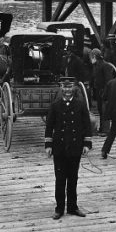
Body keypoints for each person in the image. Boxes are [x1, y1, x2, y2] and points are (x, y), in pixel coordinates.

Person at [45, 78, 92, 219]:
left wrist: (86, 144)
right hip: (59, 148)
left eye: (69, 87)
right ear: (61, 88)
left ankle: (72, 207)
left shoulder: (80, 105)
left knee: (73, 179)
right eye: (64, 88)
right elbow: (49, 126)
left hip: (74, 147)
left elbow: (87, 125)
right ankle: (59, 209)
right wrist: (48, 145)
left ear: (74, 88)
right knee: (60, 180)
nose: (67, 90)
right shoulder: (55, 105)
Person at [90, 48, 114, 136]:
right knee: (100, 110)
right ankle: (102, 128)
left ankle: (106, 130)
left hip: (104, 91)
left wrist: (106, 92)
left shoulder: (105, 65)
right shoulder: (96, 65)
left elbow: (109, 80)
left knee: (105, 110)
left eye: (92, 56)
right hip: (98, 91)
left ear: (95, 56)